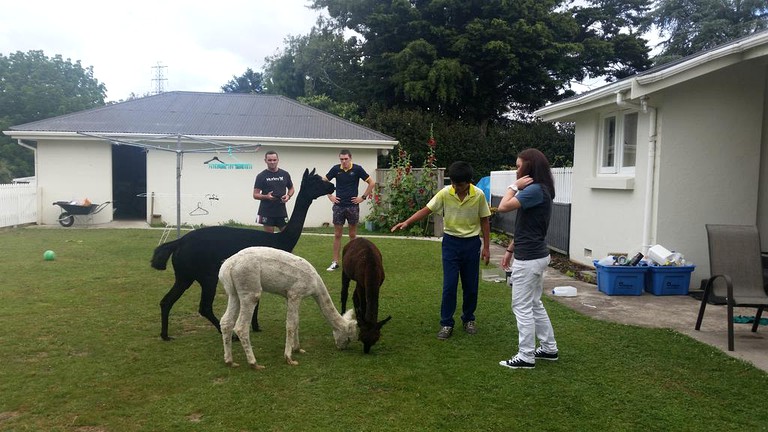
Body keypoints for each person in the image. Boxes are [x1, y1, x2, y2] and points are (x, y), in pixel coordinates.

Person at [391, 161, 491, 340]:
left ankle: (469, 319)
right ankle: (446, 323)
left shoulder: (479, 195)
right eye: (453, 183)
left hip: (471, 244)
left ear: (468, 182)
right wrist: (407, 222)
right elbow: (427, 209)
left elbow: (484, 220)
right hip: (451, 243)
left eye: (459, 185)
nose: (455, 187)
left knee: (471, 286)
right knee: (449, 286)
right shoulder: (445, 193)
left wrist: (487, 248)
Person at [497, 148, 558, 369]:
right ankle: (549, 348)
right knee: (534, 304)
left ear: (528, 167)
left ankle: (526, 356)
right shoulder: (541, 189)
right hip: (535, 254)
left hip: (529, 258)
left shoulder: (534, 190)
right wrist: (510, 249)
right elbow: (528, 226)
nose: (516, 170)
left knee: (521, 306)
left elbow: (503, 207)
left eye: (518, 166)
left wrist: (513, 187)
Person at [323, 149, 375, 271]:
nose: (344, 161)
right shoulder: (336, 169)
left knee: (352, 235)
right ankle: (335, 262)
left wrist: (362, 197)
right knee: (337, 235)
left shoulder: (357, 169)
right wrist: (330, 196)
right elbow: (323, 181)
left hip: (352, 206)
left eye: (346, 159)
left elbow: (372, 183)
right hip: (339, 206)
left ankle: (353, 261)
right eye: (341, 159)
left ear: (350, 158)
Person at [253, 151, 295, 233]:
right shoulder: (261, 176)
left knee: (287, 234)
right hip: (266, 212)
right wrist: (266, 197)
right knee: (269, 237)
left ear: (278, 160)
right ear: (265, 161)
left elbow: (291, 188)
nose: (272, 162)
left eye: (274, 160)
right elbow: (255, 194)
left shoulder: (285, 174)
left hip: (281, 211)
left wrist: (288, 196)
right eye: (269, 160)